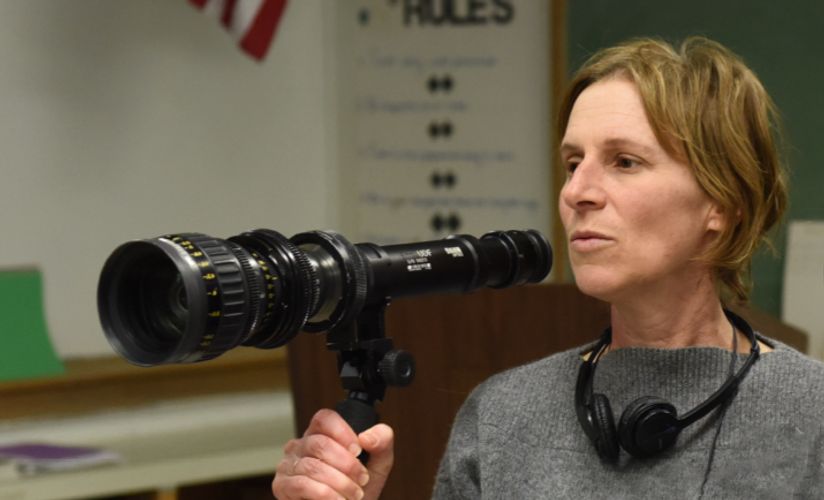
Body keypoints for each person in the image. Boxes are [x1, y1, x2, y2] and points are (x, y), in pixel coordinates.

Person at [271, 36, 824, 499]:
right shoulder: (502, 412)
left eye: (624, 162)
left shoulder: (810, 412)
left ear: (721, 203)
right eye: (573, 162)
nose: (577, 192)